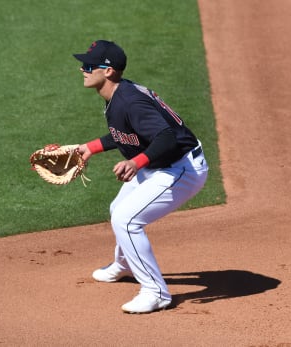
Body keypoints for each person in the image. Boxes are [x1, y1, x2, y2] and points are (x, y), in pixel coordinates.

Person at [72, 40, 209, 314]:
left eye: (89, 66)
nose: (82, 70)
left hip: (181, 168)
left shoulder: (130, 101)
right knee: (117, 210)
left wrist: (136, 162)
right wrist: (90, 147)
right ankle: (125, 265)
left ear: (108, 71)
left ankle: (156, 292)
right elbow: (129, 133)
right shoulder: (119, 94)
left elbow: (166, 138)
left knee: (127, 219)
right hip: (161, 163)